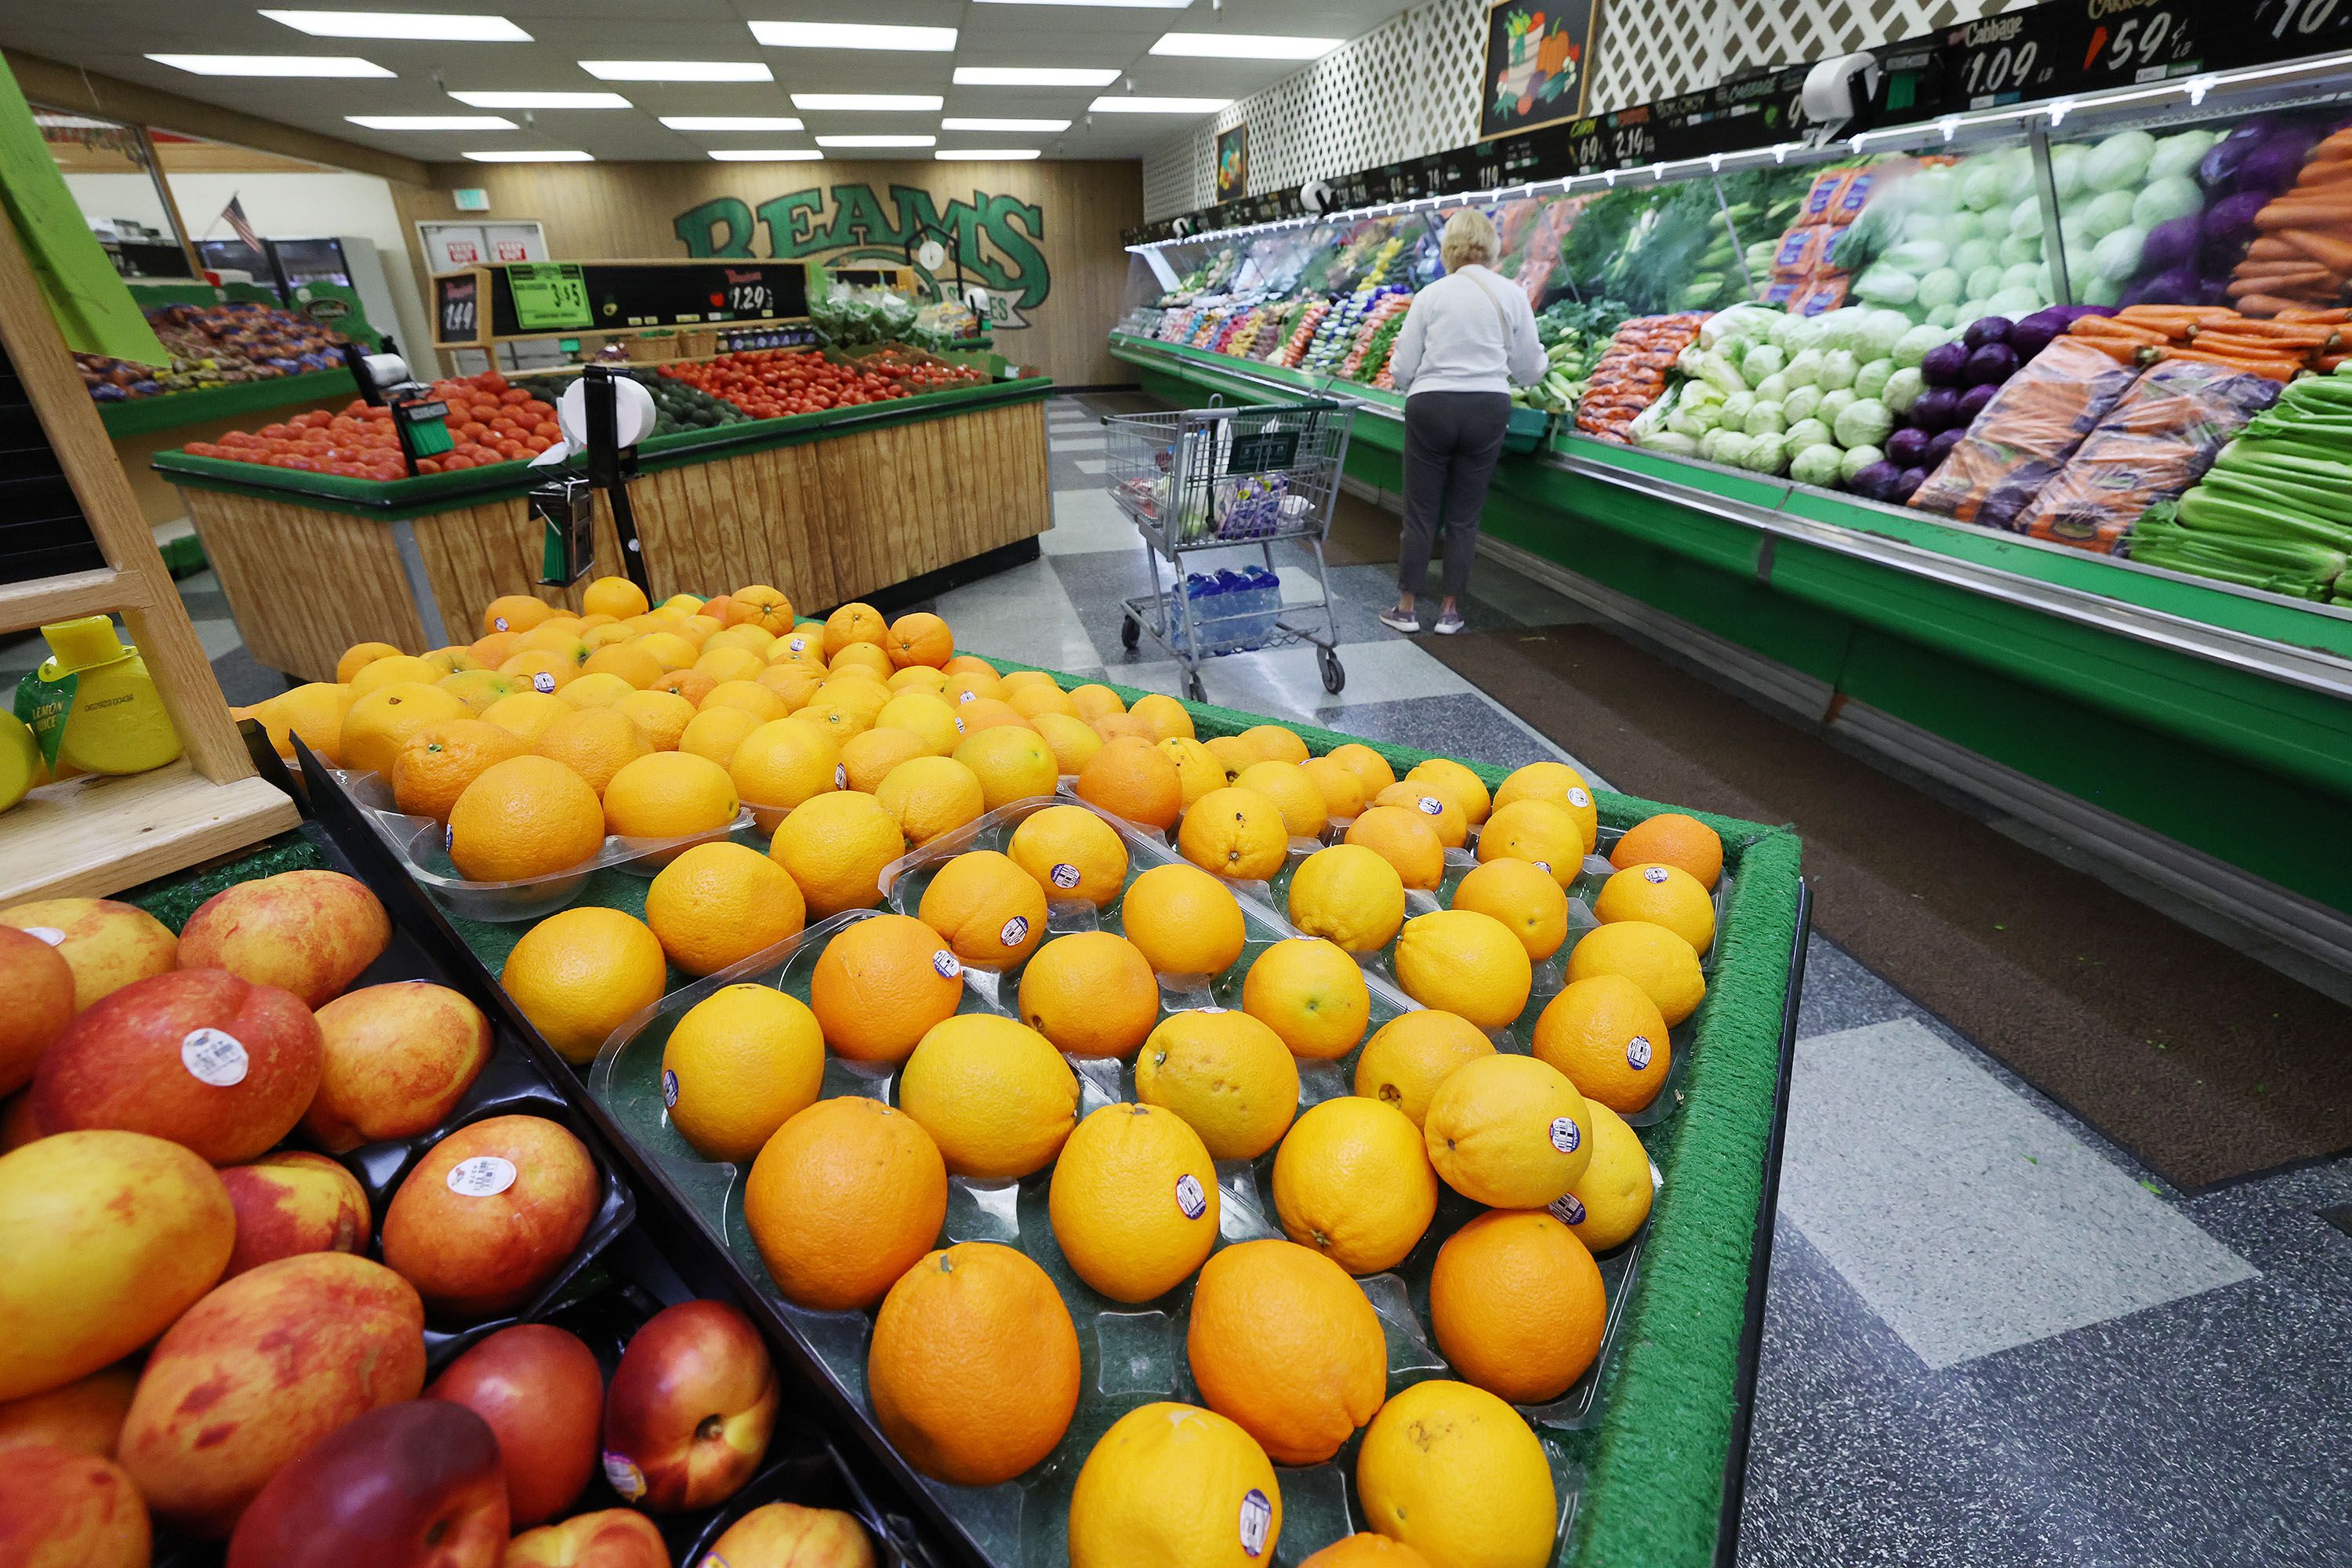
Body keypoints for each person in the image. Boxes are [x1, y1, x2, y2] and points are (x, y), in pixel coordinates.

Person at [1381, 208, 1548, 634]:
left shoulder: (1432, 295)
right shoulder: (1512, 294)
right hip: (1487, 407)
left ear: (1448, 248)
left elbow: (1402, 368)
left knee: (1420, 511)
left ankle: (1407, 608)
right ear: (1491, 246)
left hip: (1432, 405)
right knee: (1464, 515)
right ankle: (1451, 613)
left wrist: (1418, 381)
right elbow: (1530, 368)